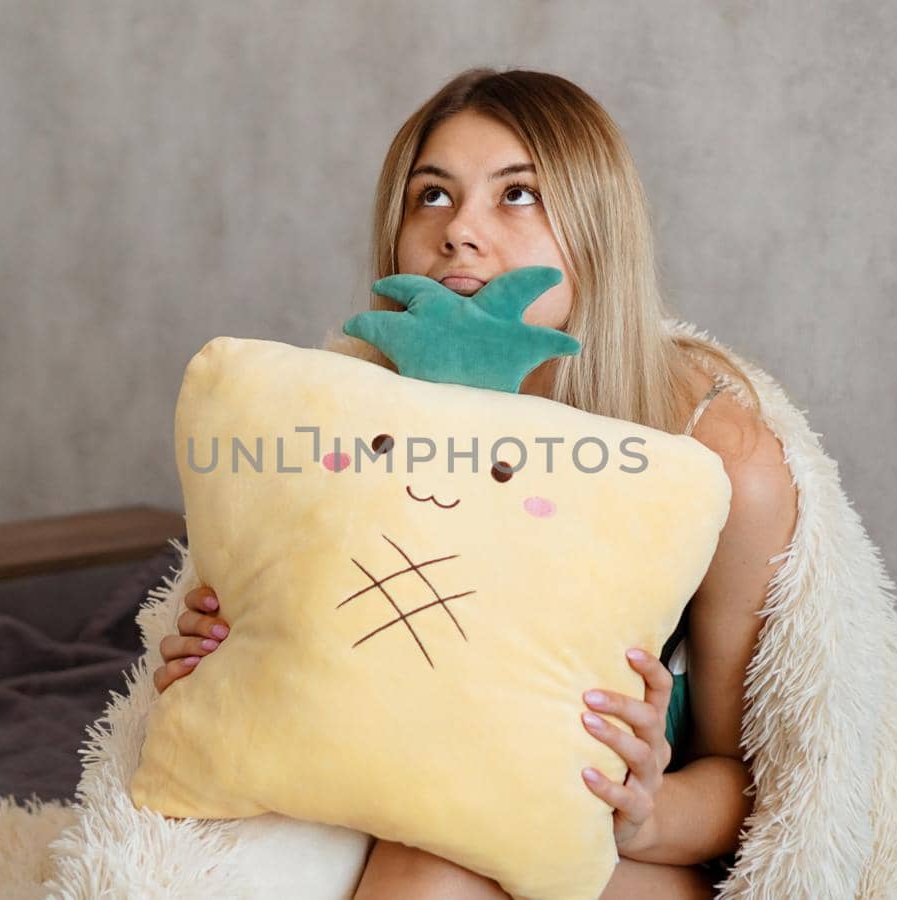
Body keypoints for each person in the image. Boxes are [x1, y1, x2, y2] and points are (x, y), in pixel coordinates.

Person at [151, 67, 799, 899]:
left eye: (518, 194)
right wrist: (232, 655)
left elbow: (755, 783)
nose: (460, 231)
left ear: (595, 228)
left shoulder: (714, 454)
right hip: (396, 804)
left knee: (438, 865)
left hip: (622, 848)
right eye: (432, 195)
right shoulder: (354, 409)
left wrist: (645, 810)